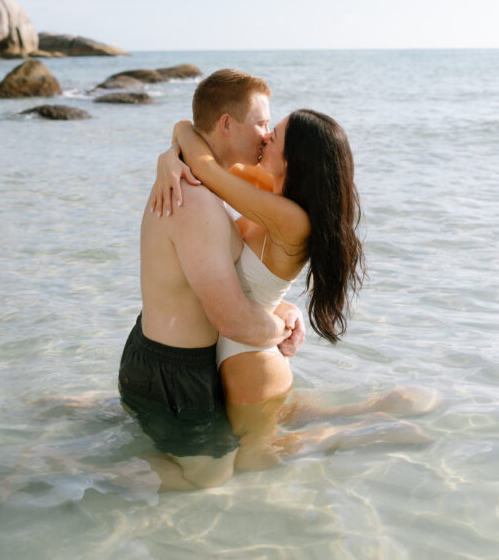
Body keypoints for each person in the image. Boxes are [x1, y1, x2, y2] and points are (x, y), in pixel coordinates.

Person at [151, 104, 370, 469]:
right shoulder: (271, 190)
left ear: (294, 158)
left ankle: (356, 433)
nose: (266, 136)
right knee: (250, 456)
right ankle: (362, 415)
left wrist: (175, 149)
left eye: (276, 135)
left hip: (251, 366)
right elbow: (202, 148)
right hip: (242, 355)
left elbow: (204, 167)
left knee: (254, 466)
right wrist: (169, 155)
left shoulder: (292, 219)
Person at [118, 69, 306, 491]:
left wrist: (285, 307)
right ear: (226, 124)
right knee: (208, 482)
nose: (265, 135)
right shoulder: (196, 197)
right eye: (261, 123)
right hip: (172, 367)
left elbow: (232, 280)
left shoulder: (198, 178)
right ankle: (61, 467)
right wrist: (282, 327)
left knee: (218, 463)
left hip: (172, 355)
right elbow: (232, 320)